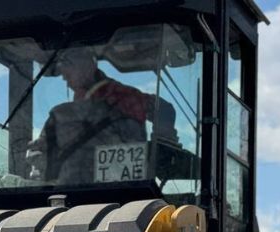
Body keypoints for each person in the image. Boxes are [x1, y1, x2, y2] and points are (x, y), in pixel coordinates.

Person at [28, 47, 176, 183]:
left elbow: (164, 110)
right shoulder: (64, 111)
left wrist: (160, 153)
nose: (63, 76)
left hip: (124, 193)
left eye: (68, 65)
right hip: (77, 193)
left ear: (89, 66)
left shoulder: (124, 96)